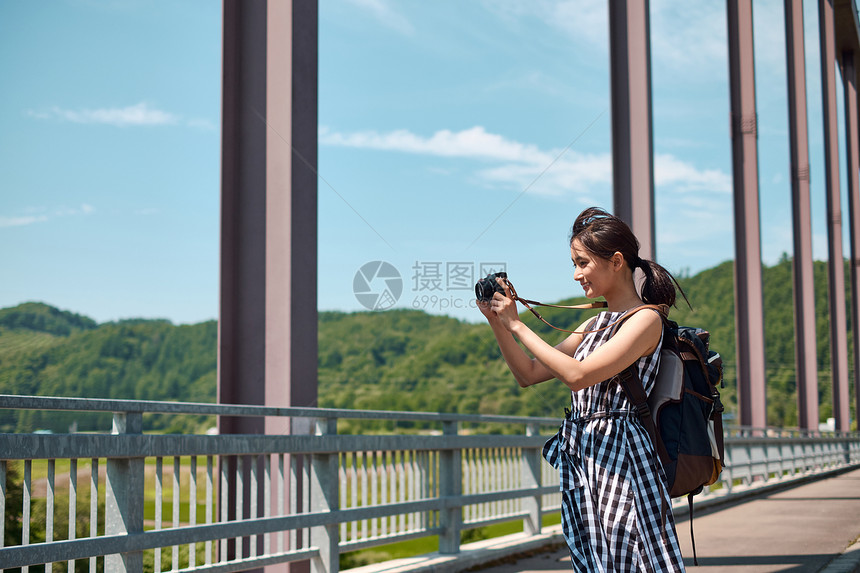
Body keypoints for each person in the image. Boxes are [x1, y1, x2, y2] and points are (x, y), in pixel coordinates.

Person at [478, 207, 687, 572]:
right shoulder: (594, 323)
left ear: (616, 261)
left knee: (634, 557)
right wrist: (498, 322)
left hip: (624, 459)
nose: (576, 274)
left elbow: (577, 376)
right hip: (584, 456)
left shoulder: (647, 319)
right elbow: (527, 373)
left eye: (582, 263)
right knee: (594, 560)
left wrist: (518, 326)